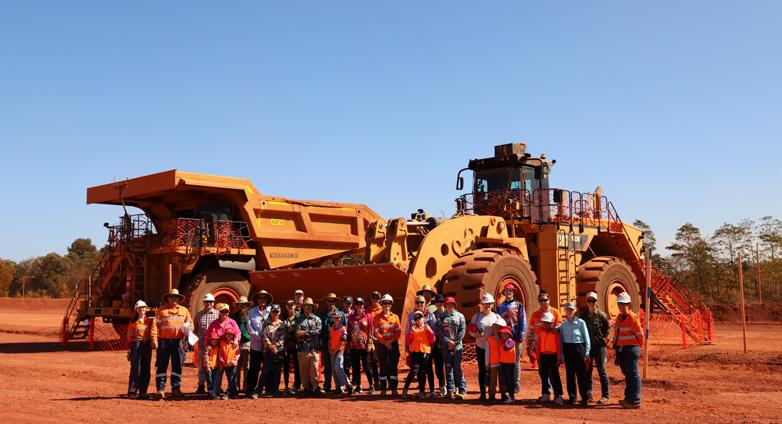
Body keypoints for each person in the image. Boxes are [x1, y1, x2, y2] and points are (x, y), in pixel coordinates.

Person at [151, 288, 192, 400]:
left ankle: (176, 389)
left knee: (177, 365)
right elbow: (155, 326)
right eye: (171, 297)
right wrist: (154, 339)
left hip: (179, 343)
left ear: (179, 299)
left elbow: (190, 324)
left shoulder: (184, 311)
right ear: (168, 298)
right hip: (164, 342)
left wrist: (189, 330)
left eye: (176, 297)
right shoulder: (161, 311)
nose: (174, 299)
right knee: (161, 365)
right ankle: (160, 389)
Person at [468, 293, 502, 401]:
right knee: (482, 370)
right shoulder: (476, 316)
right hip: (481, 347)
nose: (488, 305)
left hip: (493, 348)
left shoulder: (496, 317)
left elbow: (502, 330)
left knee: (493, 370)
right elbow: (470, 331)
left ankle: (492, 394)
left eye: (490, 303)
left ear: (492, 304)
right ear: (482, 304)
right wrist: (476, 335)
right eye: (486, 303)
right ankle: (482, 394)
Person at [614, 292, 643, 409]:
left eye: (623, 304)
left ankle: (635, 400)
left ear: (628, 304)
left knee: (633, 374)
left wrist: (637, 347)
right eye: (620, 304)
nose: (621, 306)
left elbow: (640, 334)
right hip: (622, 349)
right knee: (628, 374)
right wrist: (617, 349)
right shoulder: (619, 317)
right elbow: (616, 333)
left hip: (631, 348)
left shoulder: (632, 317)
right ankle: (628, 398)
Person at [580, 291, 611, 404]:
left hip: (600, 347)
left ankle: (605, 395)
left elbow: (607, 330)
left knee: (601, 370)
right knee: (587, 370)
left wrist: (602, 340)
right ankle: (589, 394)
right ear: (586, 302)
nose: (591, 303)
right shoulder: (582, 316)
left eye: (593, 301)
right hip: (588, 347)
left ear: (596, 302)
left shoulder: (601, 315)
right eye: (589, 301)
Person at [404, 295, 437, 398]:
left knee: (428, 369)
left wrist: (432, 346)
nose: (419, 304)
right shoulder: (411, 315)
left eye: (421, 302)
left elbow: (434, 331)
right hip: (415, 349)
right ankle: (421, 390)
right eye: (417, 302)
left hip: (427, 348)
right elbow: (407, 331)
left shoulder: (430, 314)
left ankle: (431, 391)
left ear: (425, 303)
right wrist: (406, 345)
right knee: (417, 370)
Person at [559, 302, 591, 406]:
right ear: (565, 311)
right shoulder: (563, 325)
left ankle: (585, 398)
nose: (570, 312)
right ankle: (572, 398)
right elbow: (561, 341)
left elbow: (587, 339)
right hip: (568, 349)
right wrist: (562, 354)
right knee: (570, 375)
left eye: (571, 310)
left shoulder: (581, 323)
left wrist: (587, 352)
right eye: (567, 310)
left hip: (579, 348)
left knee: (581, 375)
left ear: (575, 310)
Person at [497, 283, 526, 392]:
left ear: (513, 292)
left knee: (516, 362)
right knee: (505, 362)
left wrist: (521, 335)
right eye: (507, 290)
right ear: (504, 292)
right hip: (504, 338)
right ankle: (506, 385)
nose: (509, 292)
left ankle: (516, 384)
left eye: (511, 291)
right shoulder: (500, 306)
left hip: (515, 337)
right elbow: (498, 322)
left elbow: (523, 320)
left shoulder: (519, 305)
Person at [526, 289, 561, 379]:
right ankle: (546, 388)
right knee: (542, 372)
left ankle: (555, 388)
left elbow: (559, 328)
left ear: (549, 300)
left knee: (553, 373)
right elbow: (530, 331)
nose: (543, 302)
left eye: (545, 300)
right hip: (539, 348)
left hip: (551, 348)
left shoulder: (555, 312)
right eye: (540, 300)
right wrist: (529, 346)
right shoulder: (535, 314)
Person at [373, 293, 401, 396]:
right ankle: (383, 389)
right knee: (383, 366)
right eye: (385, 303)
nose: (387, 305)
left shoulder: (395, 317)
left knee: (393, 366)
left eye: (389, 303)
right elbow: (376, 333)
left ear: (391, 304)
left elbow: (398, 332)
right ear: (382, 304)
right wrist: (385, 343)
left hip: (393, 344)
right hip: (382, 345)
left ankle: (394, 389)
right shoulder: (377, 318)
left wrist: (390, 341)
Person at [438, 296, 466, 400]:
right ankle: (450, 390)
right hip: (445, 347)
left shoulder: (460, 316)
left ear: (454, 305)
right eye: (448, 304)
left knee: (457, 368)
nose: (450, 305)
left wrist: (454, 342)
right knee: (448, 368)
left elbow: (462, 331)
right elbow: (439, 331)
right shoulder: (441, 317)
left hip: (457, 347)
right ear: (445, 305)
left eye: (452, 304)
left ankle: (462, 390)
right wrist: (447, 341)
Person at [246, 290, 273, 397]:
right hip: (256, 345)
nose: (262, 300)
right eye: (260, 298)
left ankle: (268, 389)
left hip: (268, 345)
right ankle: (250, 389)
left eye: (264, 298)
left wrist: (267, 340)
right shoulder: (252, 312)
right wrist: (260, 338)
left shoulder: (272, 310)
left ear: (267, 299)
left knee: (268, 367)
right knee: (254, 367)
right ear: (257, 300)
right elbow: (249, 327)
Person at [534, 311, 564, 405]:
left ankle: (559, 395)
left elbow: (559, 346)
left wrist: (559, 358)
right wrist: (538, 358)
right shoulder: (541, 332)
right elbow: (538, 346)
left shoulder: (556, 333)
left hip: (553, 356)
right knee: (544, 375)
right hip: (543, 356)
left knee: (554, 376)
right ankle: (545, 394)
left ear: (552, 323)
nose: (546, 325)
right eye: (544, 322)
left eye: (548, 323)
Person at [295, 297, 323, 396]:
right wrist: (310, 333)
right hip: (302, 349)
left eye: (310, 306)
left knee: (314, 370)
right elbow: (297, 333)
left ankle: (315, 388)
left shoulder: (317, 319)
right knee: (304, 371)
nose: (308, 308)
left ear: (312, 307)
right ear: (303, 307)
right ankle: (306, 389)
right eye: (306, 306)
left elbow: (318, 331)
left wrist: (305, 332)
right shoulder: (299, 319)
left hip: (314, 349)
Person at [126, 300, 154, 399]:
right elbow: (129, 337)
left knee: (146, 368)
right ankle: (132, 391)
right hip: (136, 345)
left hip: (147, 346)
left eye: (144, 307)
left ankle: (143, 391)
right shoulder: (133, 322)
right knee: (135, 368)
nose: (142, 309)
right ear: (136, 310)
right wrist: (132, 347)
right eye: (140, 308)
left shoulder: (150, 321)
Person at [347, 297, 375, 394]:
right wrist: (348, 345)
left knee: (366, 366)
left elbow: (371, 331)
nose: (359, 306)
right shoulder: (351, 317)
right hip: (354, 346)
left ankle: (371, 385)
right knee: (355, 367)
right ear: (354, 306)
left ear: (363, 305)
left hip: (364, 346)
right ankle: (358, 386)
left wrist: (369, 344)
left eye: (361, 304)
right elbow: (349, 331)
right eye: (357, 304)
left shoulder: (368, 316)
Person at [258, 304, 287, 397]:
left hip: (278, 351)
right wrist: (270, 345)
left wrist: (275, 346)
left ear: (279, 312)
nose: (275, 313)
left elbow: (283, 338)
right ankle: (259, 391)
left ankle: (275, 391)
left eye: (276, 312)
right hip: (268, 350)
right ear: (270, 312)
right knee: (265, 371)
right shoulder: (266, 324)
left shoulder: (282, 325)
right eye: (273, 312)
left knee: (277, 371)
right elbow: (264, 336)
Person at [194, 293, 219, 394]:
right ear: (203, 303)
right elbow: (195, 329)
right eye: (207, 301)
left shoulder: (218, 314)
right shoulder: (198, 315)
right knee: (201, 366)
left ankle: (215, 385)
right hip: (202, 345)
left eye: (211, 301)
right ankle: (201, 385)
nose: (209, 303)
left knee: (215, 365)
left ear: (213, 303)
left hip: (214, 346)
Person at [320, 292, 345, 393]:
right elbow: (321, 330)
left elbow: (345, 329)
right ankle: (327, 385)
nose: (331, 303)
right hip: (327, 342)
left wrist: (343, 345)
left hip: (338, 344)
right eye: (329, 301)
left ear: (335, 302)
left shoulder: (341, 314)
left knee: (338, 366)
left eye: (333, 301)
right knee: (327, 365)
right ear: (326, 302)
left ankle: (340, 386)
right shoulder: (323, 314)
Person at [230, 295, 252, 394]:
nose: (242, 306)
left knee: (247, 366)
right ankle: (236, 387)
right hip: (237, 344)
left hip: (247, 343)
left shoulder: (250, 316)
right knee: (236, 366)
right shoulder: (233, 317)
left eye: (244, 304)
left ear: (247, 305)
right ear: (238, 305)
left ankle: (246, 386)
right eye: (241, 304)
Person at [212, 327, 241, 399]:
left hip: (233, 365)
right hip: (225, 364)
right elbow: (220, 354)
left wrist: (232, 362)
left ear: (233, 336)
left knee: (232, 379)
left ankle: (229, 394)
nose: (229, 336)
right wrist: (223, 361)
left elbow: (237, 355)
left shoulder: (235, 344)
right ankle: (233, 393)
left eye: (230, 334)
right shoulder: (222, 343)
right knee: (229, 379)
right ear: (225, 335)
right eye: (227, 334)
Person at [484, 319, 507, 402]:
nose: (496, 330)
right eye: (494, 328)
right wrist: (487, 364)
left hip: (502, 362)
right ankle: (492, 395)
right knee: (493, 380)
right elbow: (487, 353)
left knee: (502, 379)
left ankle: (503, 394)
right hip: (493, 363)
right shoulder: (489, 339)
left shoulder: (503, 339)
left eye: (498, 328)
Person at [328, 310, 350, 395]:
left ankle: (347, 384)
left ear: (341, 318)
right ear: (333, 318)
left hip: (339, 351)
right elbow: (330, 340)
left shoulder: (343, 329)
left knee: (338, 367)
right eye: (335, 318)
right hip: (332, 351)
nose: (336, 319)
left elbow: (343, 341)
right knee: (334, 370)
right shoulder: (331, 329)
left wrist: (335, 350)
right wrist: (330, 349)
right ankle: (338, 388)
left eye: (338, 318)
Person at [283, 299, 301, 395]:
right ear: (286, 307)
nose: (290, 307)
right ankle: (286, 386)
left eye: (292, 305)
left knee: (297, 366)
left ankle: (297, 385)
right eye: (288, 305)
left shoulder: (298, 318)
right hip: (286, 345)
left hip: (296, 345)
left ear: (295, 306)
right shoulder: (283, 318)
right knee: (286, 366)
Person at [431, 294, 447, 396]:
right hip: (436, 346)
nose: (440, 304)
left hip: (447, 345)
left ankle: (453, 387)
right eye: (438, 302)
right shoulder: (432, 315)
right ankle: (442, 386)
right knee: (438, 367)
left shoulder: (449, 314)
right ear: (435, 304)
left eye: (441, 302)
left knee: (450, 367)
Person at [497, 326, 517, 403]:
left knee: (509, 380)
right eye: (502, 333)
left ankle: (511, 397)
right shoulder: (504, 341)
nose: (503, 335)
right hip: (504, 363)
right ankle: (510, 396)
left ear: (509, 334)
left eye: (505, 333)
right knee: (507, 380)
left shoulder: (510, 341)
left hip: (509, 364)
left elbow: (506, 347)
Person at [367, 290, 383, 392]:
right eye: (374, 298)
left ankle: (383, 382)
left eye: (377, 298)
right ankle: (376, 382)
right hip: (371, 340)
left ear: (380, 299)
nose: (375, 300)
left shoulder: (382, 309)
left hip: (380, 339)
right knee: (373, 362)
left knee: (382, 362)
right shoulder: (368, 310)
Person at [341, 295, 353, 384]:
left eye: (349, 303)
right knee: (345, 363)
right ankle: (347, 382)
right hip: (344, 342)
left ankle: (356, 383)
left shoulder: (355, 313)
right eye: (346, 303)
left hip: (354, 342)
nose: (348, 305)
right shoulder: (340, 314)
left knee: (355, 362)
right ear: (343, 304)